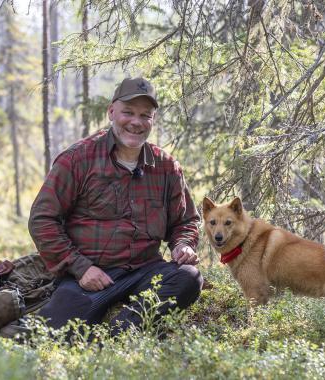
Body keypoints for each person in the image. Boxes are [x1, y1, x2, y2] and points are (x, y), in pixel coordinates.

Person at [28, 77, 203, 336]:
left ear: (153, 120)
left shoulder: (166, 167)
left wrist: (182, 245)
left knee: (189, 278)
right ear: (111, 112)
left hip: (145, 271)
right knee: (53, 331)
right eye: (128, 112)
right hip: (90, 275)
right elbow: (42, 219)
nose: (136, 122)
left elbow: (185, 221)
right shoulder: (77, 159)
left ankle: (118, 336)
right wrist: (81, 267)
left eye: (146, 115)